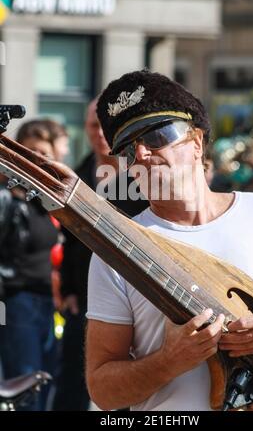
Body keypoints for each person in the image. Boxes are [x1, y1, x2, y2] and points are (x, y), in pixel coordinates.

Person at [85, 70, 253, 411]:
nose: (141, 154)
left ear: (197, 141)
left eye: (157, 136)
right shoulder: (117, 252)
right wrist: (169, 361)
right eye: (127, 150)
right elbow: (102, 391)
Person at [52, 99, 148, 411]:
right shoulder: (76, 175)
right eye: (94, 126)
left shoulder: (142, 178)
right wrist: (67, 289)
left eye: (107, 127)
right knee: (73, 384)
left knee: (126, 387)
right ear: (86, 129)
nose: (101, 134)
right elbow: (69, 240)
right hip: (84, 297)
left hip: (134, 298)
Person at [0, 120, 59, 411]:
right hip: (17, 302)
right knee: (26, 389)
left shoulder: (45, 202)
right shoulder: (7, 199)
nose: (39, 159)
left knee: (45, 382)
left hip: (46, 302)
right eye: (32, 151)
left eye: (45, 153)